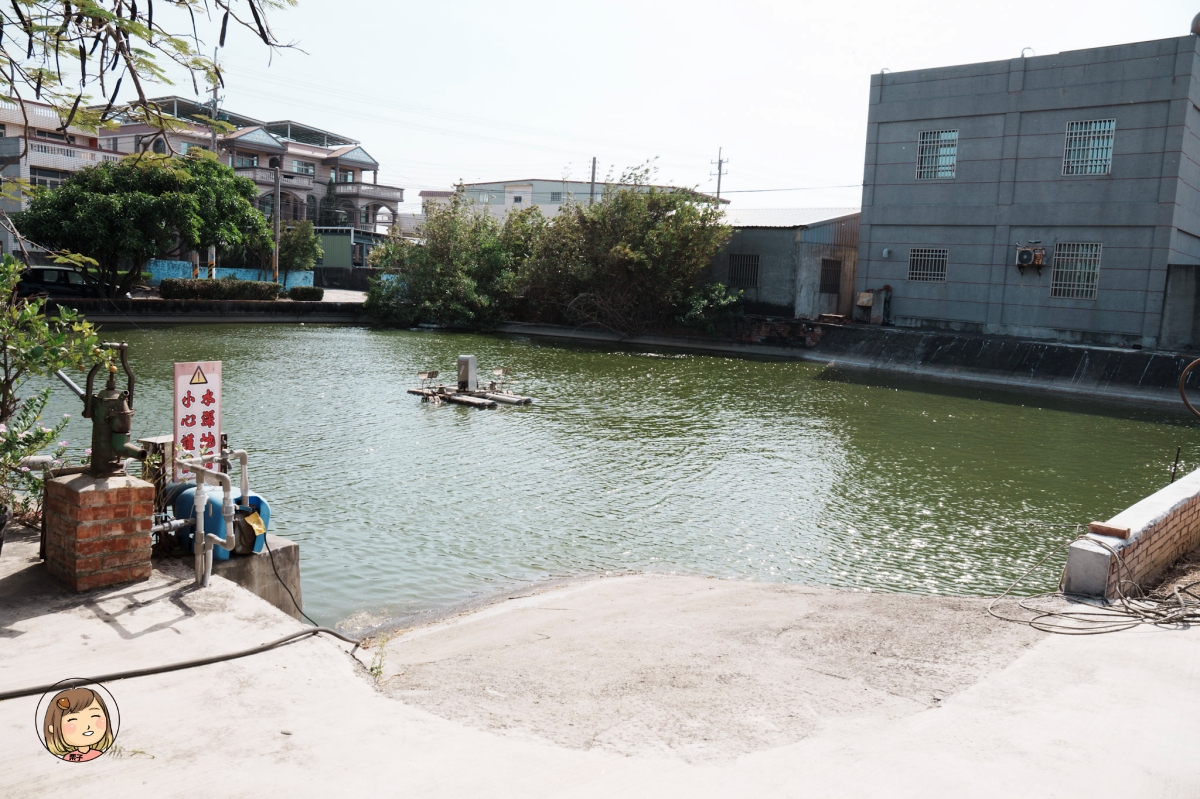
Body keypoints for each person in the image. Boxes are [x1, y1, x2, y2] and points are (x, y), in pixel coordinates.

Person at [43, 687, 114, 762]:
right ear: (52, 728)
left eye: (95, 716)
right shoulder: (69, 759)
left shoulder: (101, 755)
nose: (87, 726)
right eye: (73, 720)